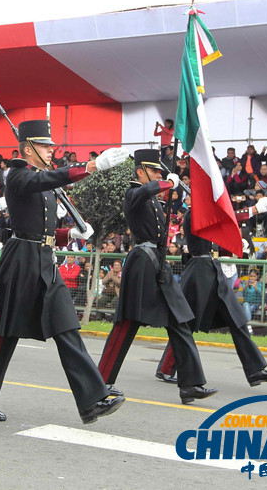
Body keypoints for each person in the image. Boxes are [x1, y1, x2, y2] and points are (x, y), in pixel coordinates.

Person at [0, 120, 130, 423]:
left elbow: (40, 227)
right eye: (45, 145)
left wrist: (69, 235)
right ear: (28, 149)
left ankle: (92, 400)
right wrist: (92, 166)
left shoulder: (42, 178)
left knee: (66, 327)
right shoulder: (17, 175)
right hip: (20, 261)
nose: (51, 149)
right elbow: (41, 188)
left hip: (45, 258)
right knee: (4, 333)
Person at [97, 149, 217, 405]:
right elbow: (144, 191)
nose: (158, 176)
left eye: (160, 172)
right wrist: (166, 183)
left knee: (180, 321)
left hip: (157, 264)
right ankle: (101, 381)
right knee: (127, 324)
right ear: (140, 171)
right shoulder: (134, 194)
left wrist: (171, 191)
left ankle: (191, 384)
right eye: (154, 172)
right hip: (141, 262)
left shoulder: (154, 199)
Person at [155, 199, 267, 387]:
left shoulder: (204, 213)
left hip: (211, 268)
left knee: (237, 319)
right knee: (185, 324)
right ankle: (166, 368)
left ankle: (255, 370)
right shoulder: (194, 215)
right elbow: (226, 219)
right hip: (199, 271)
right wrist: (254, 209)